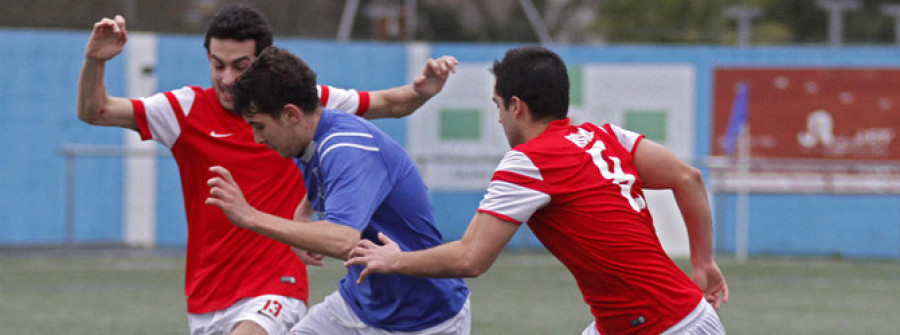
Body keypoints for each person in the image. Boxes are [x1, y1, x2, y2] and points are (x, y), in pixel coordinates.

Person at [76, 4, 459, 335]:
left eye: (239, 67)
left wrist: (419, 92)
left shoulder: (304, 106)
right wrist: (95, 60)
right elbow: (96, 111)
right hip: (209, 292)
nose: (227, 79)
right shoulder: (184, 110)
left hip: (277, 286)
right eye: (217, 65)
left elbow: (389, 104)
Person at [345, 46, 729, 335]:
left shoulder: (529, 161)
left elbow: (470, 259)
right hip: (680, 313)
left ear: (516, 106)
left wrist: (397, 260)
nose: (498, 117)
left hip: (661, 327)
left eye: (497, 105)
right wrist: (703, 263)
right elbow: (689, 178)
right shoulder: (606, 137)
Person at [205, 46, 470, 334]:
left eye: (259, 126)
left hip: (425, 320)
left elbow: (341, 240)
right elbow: (327, 180)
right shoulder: (309, 136)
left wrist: (249, 216)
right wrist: (302, 213)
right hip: (357, 306)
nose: (257, 139)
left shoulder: (346, 149)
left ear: (290, 114)